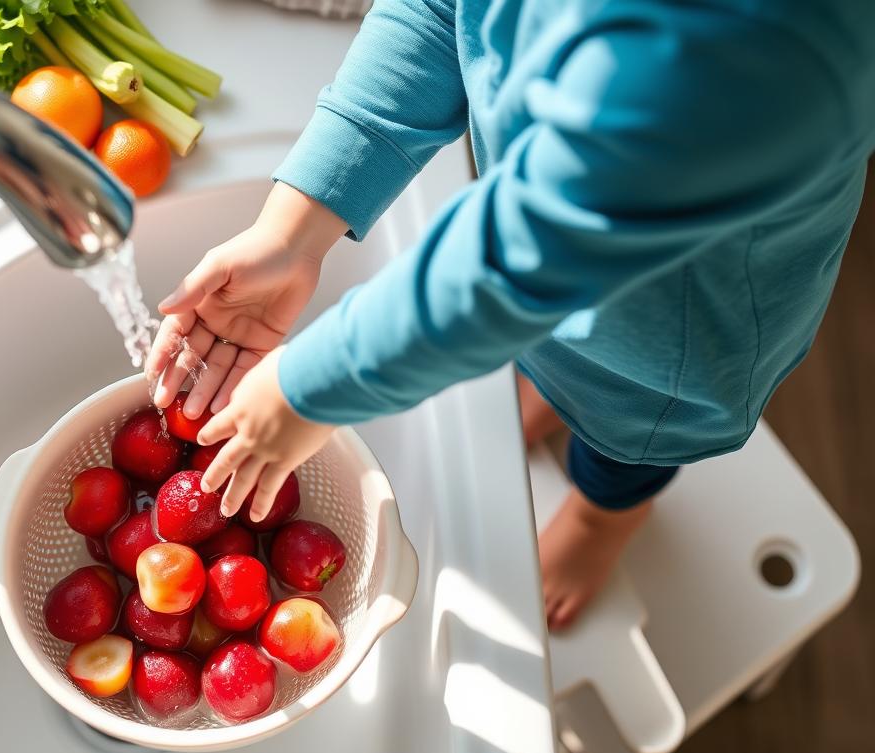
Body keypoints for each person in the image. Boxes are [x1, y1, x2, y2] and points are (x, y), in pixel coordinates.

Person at [146, 0, 875, 630]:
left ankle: (605, 518)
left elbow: (526, 255)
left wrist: (309, 387)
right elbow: (443, 13)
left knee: (627, 440)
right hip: (547, 276)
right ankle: (555, 389)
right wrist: (293, 229)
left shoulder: (747, 37)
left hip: (669, 347)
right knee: (538, 352)